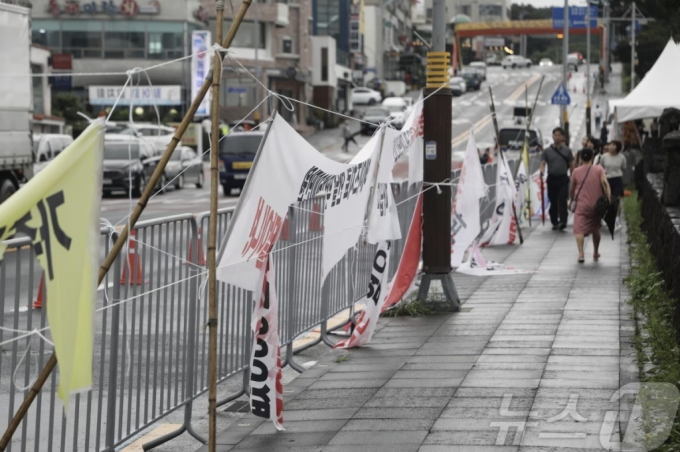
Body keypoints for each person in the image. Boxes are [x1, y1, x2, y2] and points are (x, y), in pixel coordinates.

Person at [569, 148, 611, 263]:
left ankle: (581, 254)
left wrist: (571, 201)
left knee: (579, 230)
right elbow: (605, 183)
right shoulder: (599, 169)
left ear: (581, 158)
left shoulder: (576, 172)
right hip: (596, 206)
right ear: (592, 158)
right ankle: (596, 252)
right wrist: (608, 198)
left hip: (581, 206)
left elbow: (572, 190)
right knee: (596, 229)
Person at [540, 127, 574, 231]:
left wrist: (573, 176)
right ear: (552, 136)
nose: (557, 137)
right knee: (553, 200)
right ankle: (554, 221)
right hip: (552, 179)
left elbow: (572, 164)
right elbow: (542, 163)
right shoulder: (547, 151)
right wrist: (541, 171)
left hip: (563, 179)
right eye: (555, 135)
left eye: (559, 135)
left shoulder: (567, 151)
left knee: (562, 199)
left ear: (563, 137)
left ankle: (563, 221)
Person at [599, 140, 626, 230]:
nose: (611, 147)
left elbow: (623, 168)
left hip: (617, 179)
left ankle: (617, 220)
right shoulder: (604, 157)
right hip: (606, 179)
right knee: (607, 199)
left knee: (616, 200)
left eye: (613, 145)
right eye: (610, 145)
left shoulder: (621, 158)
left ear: (617, 147)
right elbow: (601, 167)